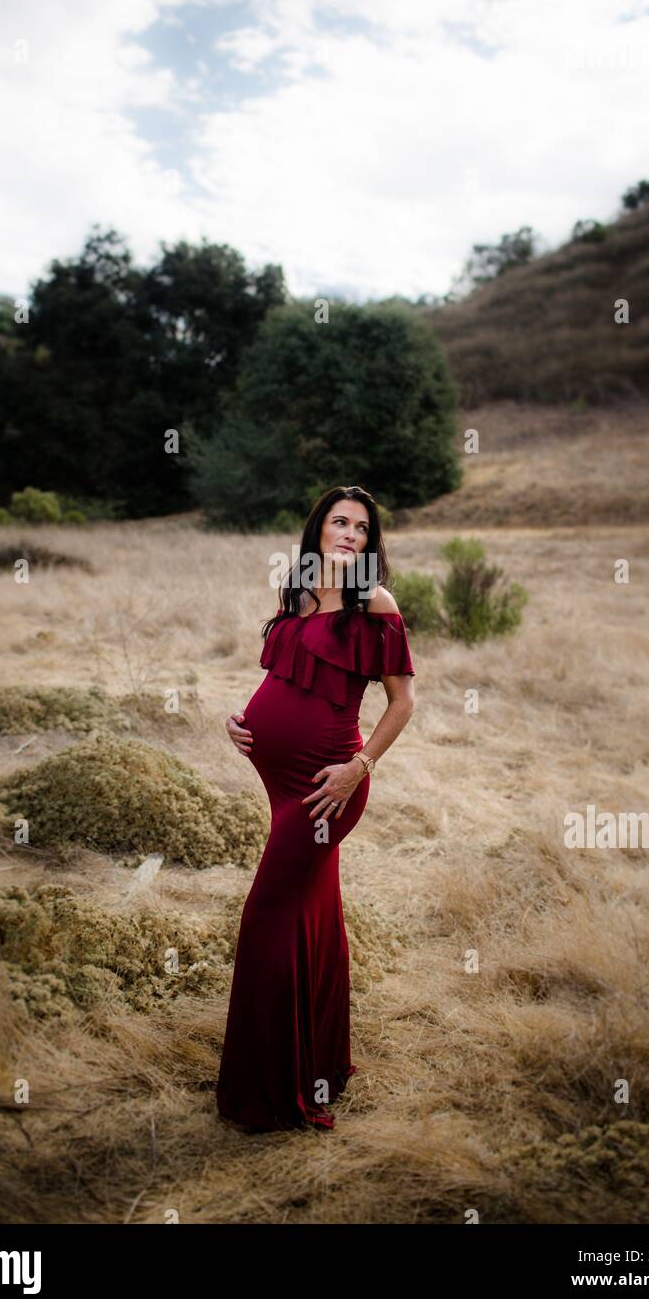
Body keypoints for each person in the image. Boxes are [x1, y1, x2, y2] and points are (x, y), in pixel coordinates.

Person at [216, 485, 416, 1132]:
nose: (350, 534)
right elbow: (281, 677)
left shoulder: (373, 603)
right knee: (315, 915)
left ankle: (270, 1087)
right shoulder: (297, 592)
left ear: (370, 542)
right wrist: (239, 723)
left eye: (362, 527)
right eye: (340, 521)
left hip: (328, 788)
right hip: (279, 782)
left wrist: (361, 767)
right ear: (318, 529)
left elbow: (401, 704)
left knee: (265, 917)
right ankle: (319, 1060)